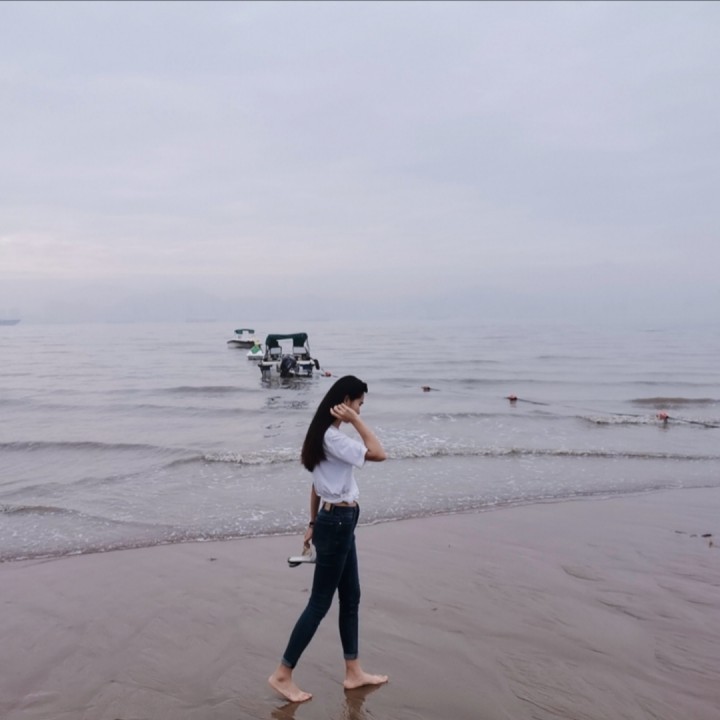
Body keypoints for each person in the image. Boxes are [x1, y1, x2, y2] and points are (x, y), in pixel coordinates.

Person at [268, 375, 389, 703]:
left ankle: (353, 672)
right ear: (346, 401)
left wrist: (312, 521)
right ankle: (283, 674)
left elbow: (316, 484)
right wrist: (356, 421)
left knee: (351, 597)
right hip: (337, 523)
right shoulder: (333, 438)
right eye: (359, 403)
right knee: (319, 603)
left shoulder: (324, 434)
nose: (360, 409)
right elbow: (379, 453)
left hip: (336, 521)